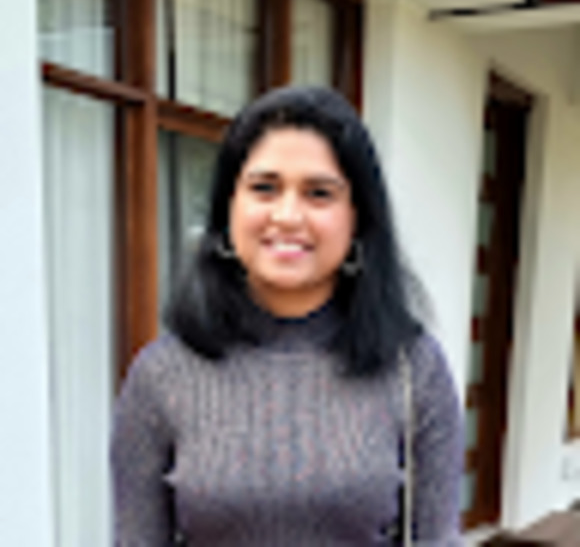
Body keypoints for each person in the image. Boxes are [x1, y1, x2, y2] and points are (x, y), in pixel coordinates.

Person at [111, 86, 463, 546]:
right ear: (228, 208)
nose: (288, 216)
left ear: (357, 217)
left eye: (319, 193)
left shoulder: (414, 369)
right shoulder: (161, 376)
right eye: (264, 188)